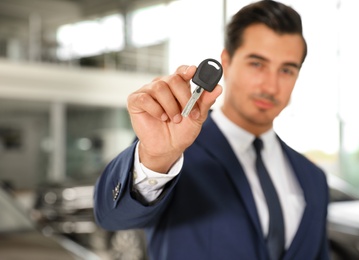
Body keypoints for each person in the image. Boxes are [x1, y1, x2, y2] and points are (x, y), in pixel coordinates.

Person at [93, 1, 330, 259]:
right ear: (225, 62)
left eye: (286, 70)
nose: (271, 86)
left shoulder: (313, 179)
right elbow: (113, 217)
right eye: (257, 64)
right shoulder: (176, 152)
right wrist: (157, 158)